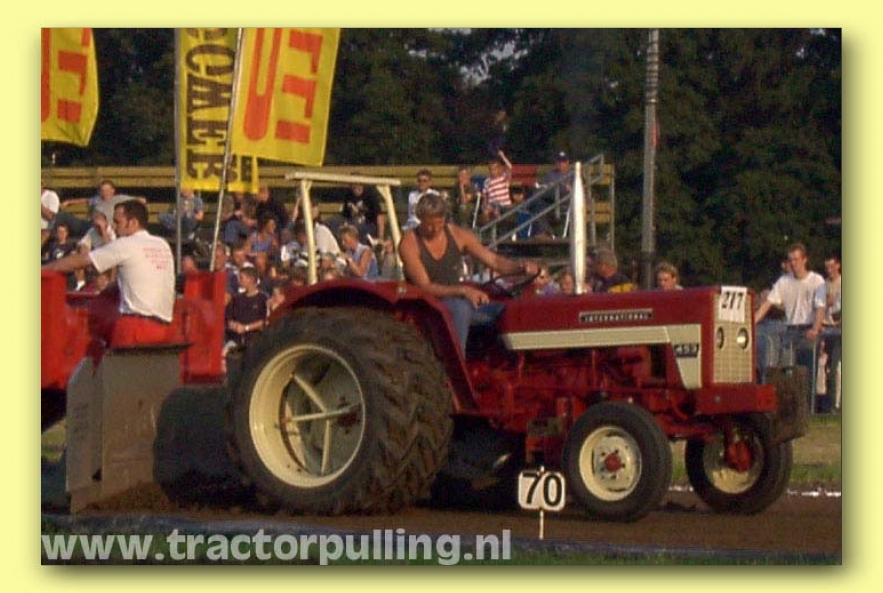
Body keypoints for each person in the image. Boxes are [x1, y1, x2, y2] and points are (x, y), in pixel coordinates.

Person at [399, 193, 538, 353]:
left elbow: (494, 261)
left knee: (508, 309)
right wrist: (464, 291)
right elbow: (425, 286)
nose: (435, 229)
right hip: (427, 303)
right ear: (420, 219)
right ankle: (456, 362)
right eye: (430, 224)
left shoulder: (458, 235)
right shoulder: (409, 243)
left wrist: (519, 267)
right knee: (461, 309)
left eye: (439, 223)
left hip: (457, 298)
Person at [42, 200, 175, 345]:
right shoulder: (162, 245)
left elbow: (82, 261)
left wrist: (43, 270)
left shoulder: (126, 244)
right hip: (165, 328)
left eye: (118, 222)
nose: (114, 227)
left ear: (133, 222)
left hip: (135, 326)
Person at [754, 243, 827, 390]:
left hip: (808, 331)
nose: (793, 263)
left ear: (804, 260)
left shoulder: (817, 280)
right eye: (790, 260)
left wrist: (815, 328)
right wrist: (751, 323)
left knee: (807, 374)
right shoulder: (784, 281)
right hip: (790, 330)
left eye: (796, 259)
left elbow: (820, 307)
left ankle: (808, 402)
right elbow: (767, 304)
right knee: (787, 373)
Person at [224, 266, 267, 350]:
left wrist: (246, 328)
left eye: (241, 278)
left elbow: (264, 321)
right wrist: (235, 326)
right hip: (236, 340)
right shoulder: (237, 298)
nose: (239, 281)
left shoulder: (262, 298)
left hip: (255, 341)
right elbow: (229, 319)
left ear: (251, 279)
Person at [338, 177, 387, 243]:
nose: (356, 186)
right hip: (353, 226)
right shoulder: (348, 195)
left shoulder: (370, 195)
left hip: (368, 226)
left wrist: (381, 237)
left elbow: (379, 216)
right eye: (353, 184)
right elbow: (345, 216)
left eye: (358, 184)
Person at [481, 150, 513, 222]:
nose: (492, 171)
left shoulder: (504, 178)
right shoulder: (487, 181)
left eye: (494, 169)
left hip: (504, 204)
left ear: (498, 169)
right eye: (491, 169)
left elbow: (510, 167)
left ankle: (499, 227)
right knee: (485, 211)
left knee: (496, 212)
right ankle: (487, 227)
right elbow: (485, 195)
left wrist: (503, 156)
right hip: (492, 204)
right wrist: (484, 204)